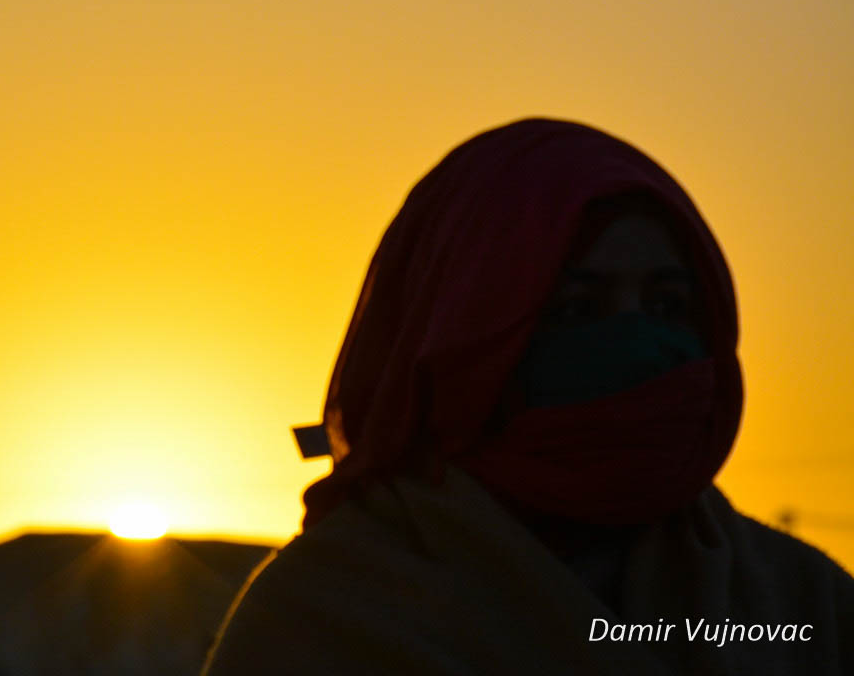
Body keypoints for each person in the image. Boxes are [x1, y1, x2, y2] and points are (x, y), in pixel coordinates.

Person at [204, 118, 854, 675]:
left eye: (667, 305)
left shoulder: (806, 607)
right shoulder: (324, 622)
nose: (633, 342)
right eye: (575, 309)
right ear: (460, 339)